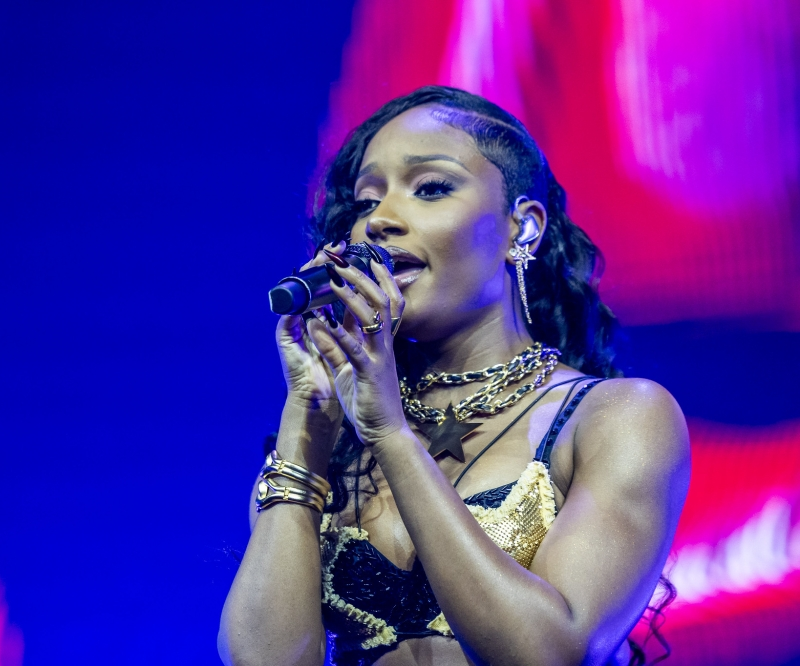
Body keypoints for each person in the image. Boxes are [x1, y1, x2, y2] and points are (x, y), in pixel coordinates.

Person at [218, 86, 690, 666]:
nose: (380, 221)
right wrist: (305, 422)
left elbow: (549, 653)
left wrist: (391, 435)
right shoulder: (332, 444)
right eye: (366, 202)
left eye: (431, 188)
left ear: (522, 228)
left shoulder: (617, 417)